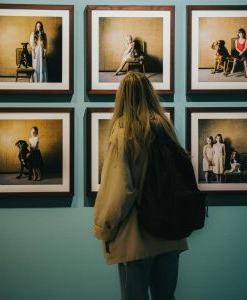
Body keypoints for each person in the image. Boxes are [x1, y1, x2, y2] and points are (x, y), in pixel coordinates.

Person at [93, 72, 188, 300]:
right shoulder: (165, 129)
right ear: (150, 94)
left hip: (135, 240)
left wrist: (103, 228)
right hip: (171, 236)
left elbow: (119, 192)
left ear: (122, 97)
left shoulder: (123, 134)